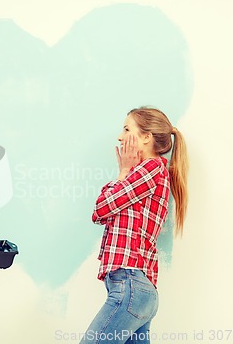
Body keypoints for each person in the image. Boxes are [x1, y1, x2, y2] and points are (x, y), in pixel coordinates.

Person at [80, 107, 188, 344]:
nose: (120, 137)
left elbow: (100, 209)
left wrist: (124, 173)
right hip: (140, 291)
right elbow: (103, 214)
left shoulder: (150, 169)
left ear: (147, 137)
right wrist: (125, 174)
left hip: (130, 285)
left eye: (127, 129)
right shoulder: (151, 172)